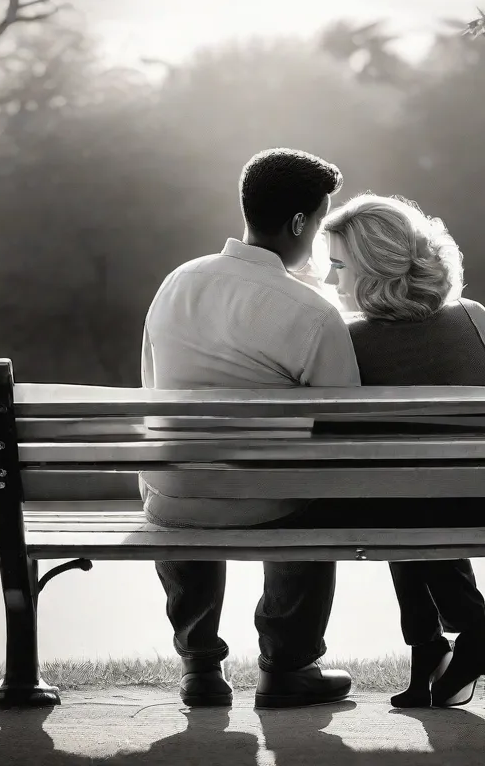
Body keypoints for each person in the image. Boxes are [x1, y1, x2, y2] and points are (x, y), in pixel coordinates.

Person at [317, 193, 485, 713]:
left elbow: (337, 438)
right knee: (409, 494)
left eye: (339, 265)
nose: (330, 278)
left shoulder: (346, 342)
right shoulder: (475, 318)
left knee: (397, 495)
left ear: (373, 268)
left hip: (414, 504)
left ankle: (466, 634)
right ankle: (431, 650)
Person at [139, 148, 360, 709]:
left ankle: (199, 666)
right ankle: (288, 665)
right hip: (269, 502)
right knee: (315, 489)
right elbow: (345, 428)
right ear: (299, 223)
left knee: (178, 473)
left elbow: (153, 392)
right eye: (319, 224)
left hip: (176, 496)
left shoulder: (177, 283)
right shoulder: (312, 312)